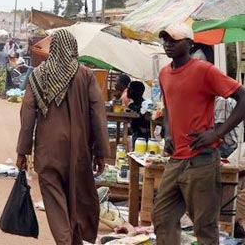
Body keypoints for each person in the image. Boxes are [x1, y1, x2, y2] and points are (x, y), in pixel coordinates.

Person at [152, 22, 245, 244]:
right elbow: (167, 106)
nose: (168, 45)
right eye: (165, 40)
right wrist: (168, 133)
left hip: (201, 159)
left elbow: (242, 97)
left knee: (204, 225)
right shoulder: (165, 74)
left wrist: (217, 133)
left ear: (190, 43)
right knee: (162, 217)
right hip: (176, 160)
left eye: (174, 40)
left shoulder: (204, 70)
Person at [16, 29, 110, 244]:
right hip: (79, 148)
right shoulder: (84, 74)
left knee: (54, 201)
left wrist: (23, 151)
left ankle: (65, 241)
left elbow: (27, 114)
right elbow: (98, 113)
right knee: (77, 198)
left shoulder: (38, 75)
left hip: (48, 149)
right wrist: (101, 152)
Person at [126, 81, 150, 146]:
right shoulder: (131, 105)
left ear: (138, 92)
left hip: (143, 137)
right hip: (135, 134)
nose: (127, 91)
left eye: (129, 89)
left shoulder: (145, 106)